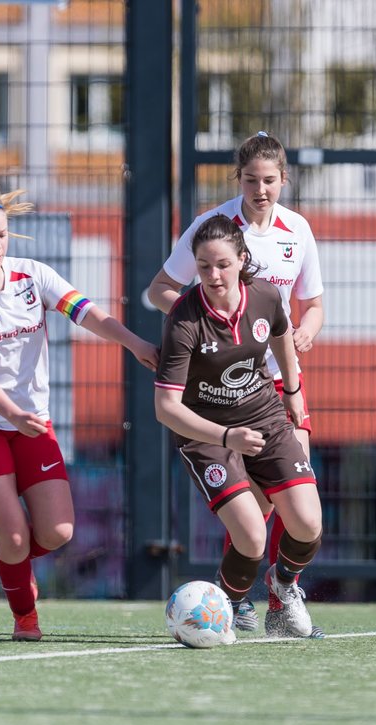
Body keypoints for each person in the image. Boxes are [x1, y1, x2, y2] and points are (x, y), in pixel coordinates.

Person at [0, 188, 158, 641]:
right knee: (16, 538)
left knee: (57, 531)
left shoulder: (32, 275)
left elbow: (90, 315)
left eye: (2, 236)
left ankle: (11, 561)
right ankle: (25, 616)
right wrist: (12, 414)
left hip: (30, 420)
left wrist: (135, 344)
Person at [146, 131, 325, 634]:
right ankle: (232, 604)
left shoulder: (289, 248)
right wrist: (206, 329)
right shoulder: (210, 233)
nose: (261, 189)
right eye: (251, 180)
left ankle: (279, 592)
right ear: (239, 180)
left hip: (266, 394)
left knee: (301, 517)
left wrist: (297, 401)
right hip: (209, 405)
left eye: (270, 180)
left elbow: (298, 317)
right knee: (251, 525)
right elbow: (162, 289)